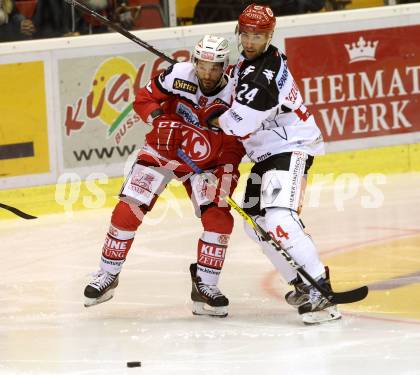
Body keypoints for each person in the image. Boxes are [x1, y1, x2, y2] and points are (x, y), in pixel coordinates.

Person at [83, 35, 245, 318]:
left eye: (215, 67)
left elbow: (236, 141)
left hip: (207, 162)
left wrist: (225, 173)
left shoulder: (235, 94)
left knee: (218, 216)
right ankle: (107, 275)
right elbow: (143, 99)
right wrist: (158, 119)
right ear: (195, 62)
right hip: (163, 150)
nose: (207, 73)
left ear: (225, 66)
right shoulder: (178, 75)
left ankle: (205, 286)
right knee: (129, 208)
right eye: (203, 65)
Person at [207, 4, 341, 324]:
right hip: (267, 154)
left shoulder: (263, 76)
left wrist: (212, 116)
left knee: (279, 215)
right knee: (255, 222)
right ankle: (300, 281)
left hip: (290, 148)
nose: (251, 41)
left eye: (259, 35)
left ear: (270, 36)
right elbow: (236, 91)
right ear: (240, 33)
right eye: (247, 34)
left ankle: (319, 286)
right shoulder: (249, 65)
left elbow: (240, 124)